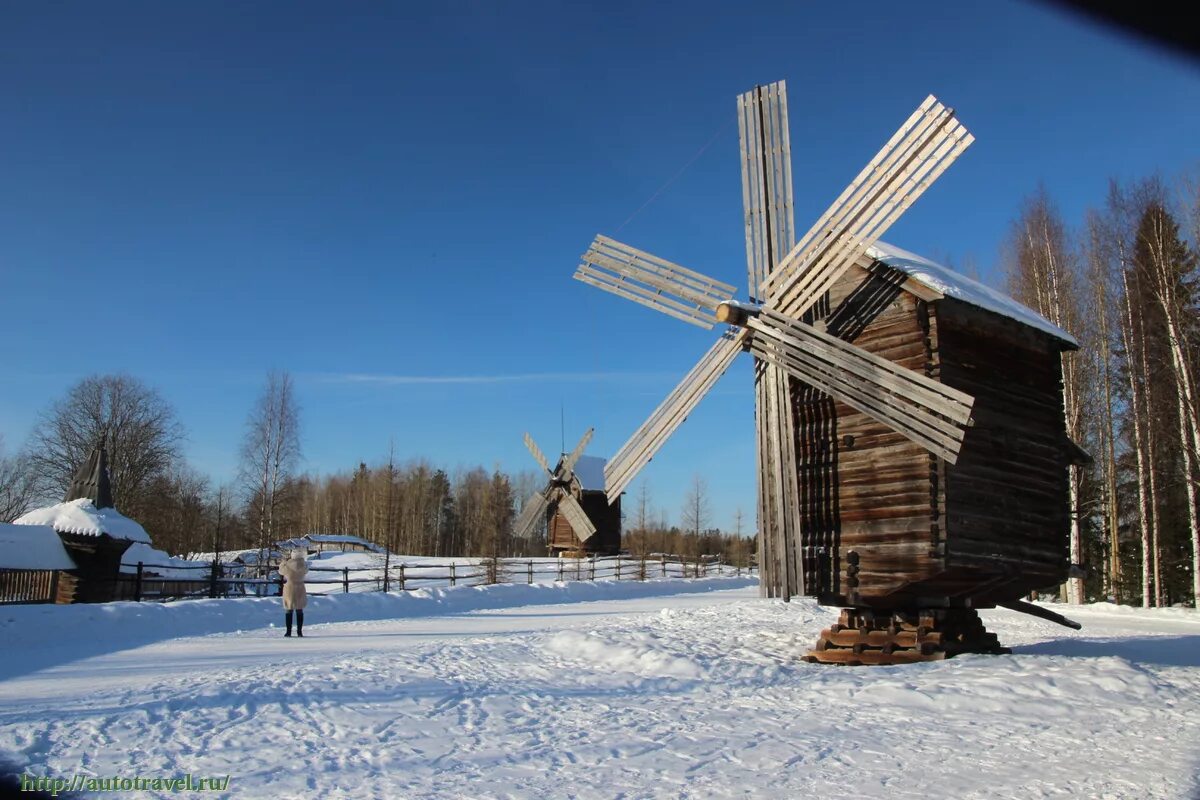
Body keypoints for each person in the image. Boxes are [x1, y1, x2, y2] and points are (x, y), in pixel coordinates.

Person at [278, 549, 309, 637]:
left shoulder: (288, 565)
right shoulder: (304, 565)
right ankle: (299, 631)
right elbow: (307, 571)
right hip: (300, 588)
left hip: (289, 589)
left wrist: (283, 562)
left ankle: (288, 631)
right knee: (299, 610)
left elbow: (280, 571)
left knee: (289, 610)